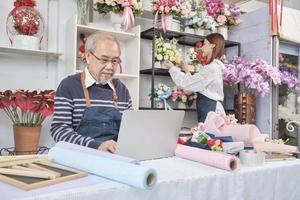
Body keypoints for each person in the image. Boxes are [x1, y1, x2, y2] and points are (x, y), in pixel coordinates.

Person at [50, 32, 132, 153]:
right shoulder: (69, 86)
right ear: (88, 57)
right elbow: (59, 130)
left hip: (114, 157)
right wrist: (96, 146)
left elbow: (130, 131)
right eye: (104, 60)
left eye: (114, 61)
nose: (110, 67)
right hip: (79, 157)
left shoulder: (122, 89)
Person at [164, 33, 226, 122]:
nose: (201, 48)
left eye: (204, 44)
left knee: (208, 135)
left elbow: (186, 84)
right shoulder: (214, 67)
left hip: (210, 109)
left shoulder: (211, 68)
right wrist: (186, 71)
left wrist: (172, 68)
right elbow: (193, 84)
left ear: (212, 45)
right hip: (209, 107)